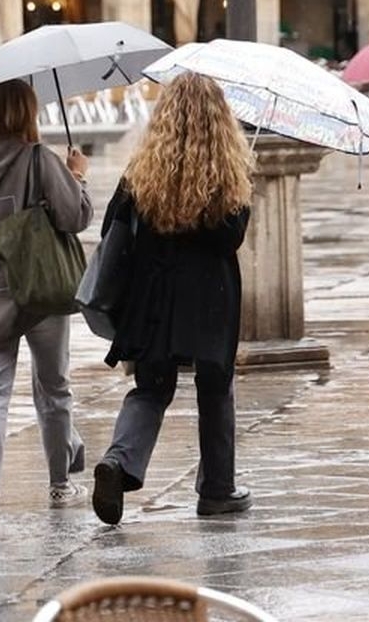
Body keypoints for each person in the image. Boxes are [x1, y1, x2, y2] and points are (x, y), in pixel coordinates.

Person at [90, 71, 254, 525]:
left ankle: (120, 461)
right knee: (215, 387)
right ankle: (217, 490)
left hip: (153, 294)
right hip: (210, 296)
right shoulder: (227, 173)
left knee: (151, 387)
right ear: (221, 119)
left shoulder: (142, 169)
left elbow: (111, 231)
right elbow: (231, 239)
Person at [0, 78, 92, 521]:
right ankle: (60, 485)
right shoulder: (37, 158)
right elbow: (75, 216)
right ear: (27, 112)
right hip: (39, 285)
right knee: (53, 386)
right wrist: (76, 178)